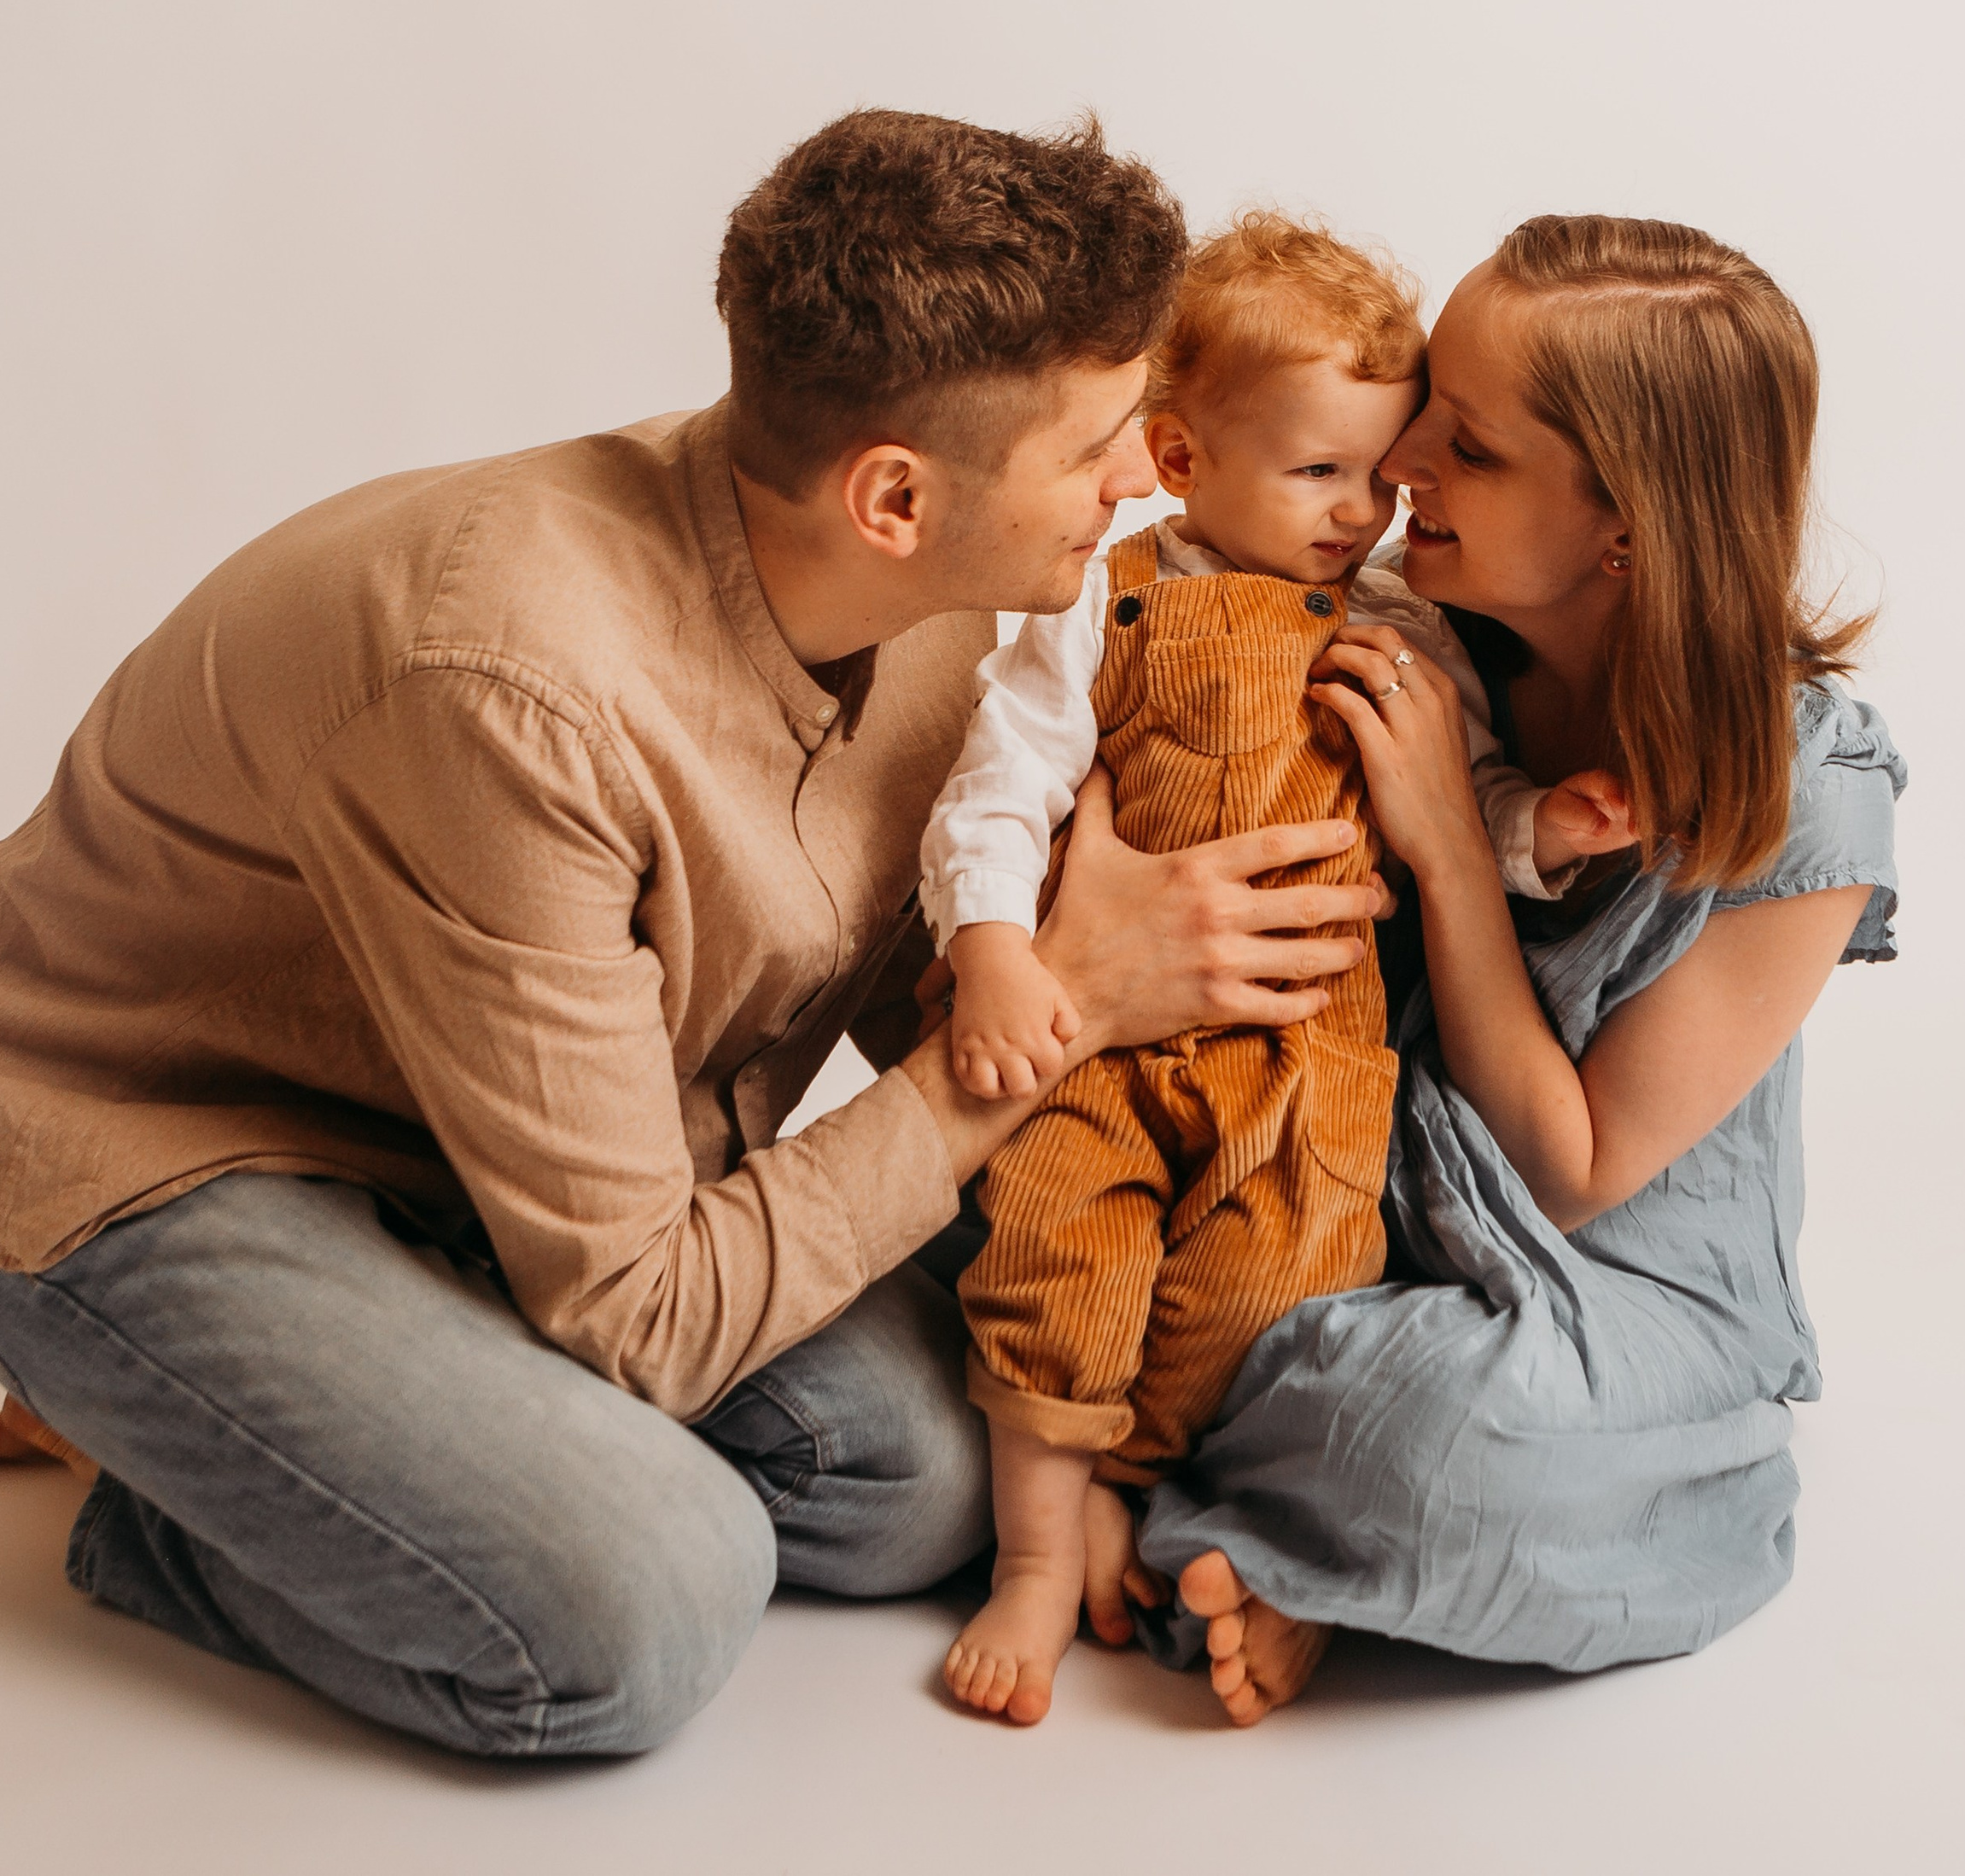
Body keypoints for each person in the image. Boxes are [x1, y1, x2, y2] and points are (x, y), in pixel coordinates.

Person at [0, 111, 1391, 1757]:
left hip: (512, 1161)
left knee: (921, 1482)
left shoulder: (946, 598)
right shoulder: (512, 694)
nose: (1143, 476)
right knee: (640, 1609)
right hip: (167, 1155)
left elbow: (899, 958)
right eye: (1100, 443)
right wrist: (1073, 1005)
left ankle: (382, 1446)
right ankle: (170, 1474)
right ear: (896, 496)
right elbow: (641, 1317)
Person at [1132, 213, 1906, 1725]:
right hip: (1350, 1203)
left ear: (1626, 524)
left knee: (1455, 1446)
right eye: (1426, 400)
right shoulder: (1415, 633)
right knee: (1081, 1272)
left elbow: (1569, 1171)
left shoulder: (1807, 793)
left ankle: (1286, 1531)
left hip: (1617, 1289)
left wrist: (1445, 842)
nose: (1400, 456)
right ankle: (1303, 1535)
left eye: (1467, 445)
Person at [921, 215, 1639, 1722]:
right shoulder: (1099, 603)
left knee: (1281, 1282)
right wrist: (991, 948)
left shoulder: (1404, 631)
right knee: (1056, 1247)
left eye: (1383, 476)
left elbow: (1465, 793)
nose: (1364, 514)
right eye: (1321, 473)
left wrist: (1544, 833)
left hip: (1311, 1060)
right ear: (1179, 459)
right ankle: (1038, 1563)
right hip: (1107, 1039)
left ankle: (1135, 1474)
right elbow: (1001, 790)